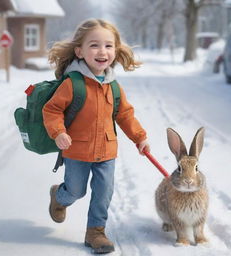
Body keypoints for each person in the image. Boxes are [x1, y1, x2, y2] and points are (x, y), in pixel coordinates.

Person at [42, 18, 150, 254]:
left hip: (106, 152)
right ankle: (59, 197)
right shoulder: (73, 84)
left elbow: (125, 115)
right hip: (77, 151)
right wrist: (58, 132)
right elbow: (52, 110)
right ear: (79, 51)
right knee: (76, 190)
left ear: (116, 50)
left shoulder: (113, 86)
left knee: (104, 192)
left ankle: (96, 232)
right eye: (94, 45)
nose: (102, 51)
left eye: (108, 45)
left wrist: (139, 137)